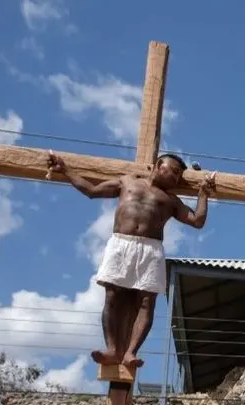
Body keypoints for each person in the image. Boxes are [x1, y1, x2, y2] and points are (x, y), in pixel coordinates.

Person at [47, 151, 214, 370]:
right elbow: (92, 191)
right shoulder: (127, 182)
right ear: (156, 166)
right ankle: (113, 350)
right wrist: (66, 169)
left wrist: (203, 194)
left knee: (146, 302)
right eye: (172, 170)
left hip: (151, 249)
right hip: (121, 244)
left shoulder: (171, 200)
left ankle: (130, 353)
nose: (175, 176)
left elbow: (197, 221)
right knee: (113, 296)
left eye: (178, 174)